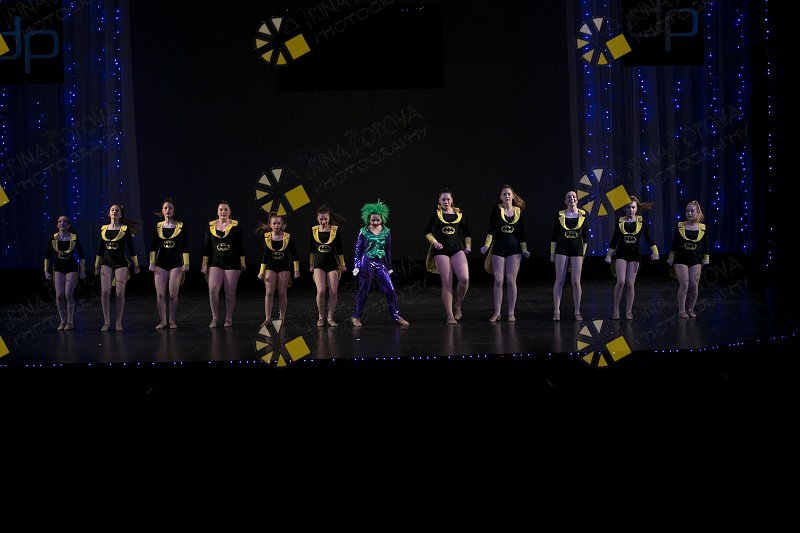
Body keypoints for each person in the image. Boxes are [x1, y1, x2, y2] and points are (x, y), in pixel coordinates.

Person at [351, 200, 409, 327]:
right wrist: (357, 265)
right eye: (373, 220)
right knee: (364, 290)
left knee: (390, 289)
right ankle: (356, 316)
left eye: (377, 220)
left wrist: (389, 266)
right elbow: (358, 250)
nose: (375, 222)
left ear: (382, 219)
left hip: (380, 262)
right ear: (368, 219)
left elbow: (388, 250)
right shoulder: (363, 231)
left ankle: (396, 315)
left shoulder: (386, 231)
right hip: (366, 262)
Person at [604, 196, 659, 320]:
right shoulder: (620, 221)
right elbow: (614, 239)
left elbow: (648, 237)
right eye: (628, 207)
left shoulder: (640, 221)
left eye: (633, 207)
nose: (631, 210)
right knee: (621, 281)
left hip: (634, 256)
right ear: (624, 209)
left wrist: (655, 251)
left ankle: (629, 311)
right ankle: (616, 309)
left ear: (636, 208)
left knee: (630, 283)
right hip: (621, 255)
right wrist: (609, 255)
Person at [480, 185, 529, 322]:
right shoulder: (496, 210)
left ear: (513, 196)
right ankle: (497, 313)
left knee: (511, 281)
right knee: (498, 280)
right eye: (504, 194)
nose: (507, 196)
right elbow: (491, 230)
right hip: (498, 249)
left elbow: (521, 233)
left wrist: (524, 249)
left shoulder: (518, 212)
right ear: (500, 197)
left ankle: (511, 313)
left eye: (509, 194)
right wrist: (486, 245)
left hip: (514, 250)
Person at [424, 188, 471, 324]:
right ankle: (449, 315)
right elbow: (426, 231)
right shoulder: (436, 214)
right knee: (447, 282)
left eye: (448, 199)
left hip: (456, 248)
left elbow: (467, 233)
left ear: (452, 200)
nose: (446, 201)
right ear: (439, 201)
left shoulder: (458, 214)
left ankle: (458, 305)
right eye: (443, 199)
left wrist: (468, 246)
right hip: (441, 251)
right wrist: (434, 242)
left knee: (464, 278)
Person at [95, 204, 140, 331]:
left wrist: (136, 264)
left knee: (120, 292)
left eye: (117, 210)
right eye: (112, 210)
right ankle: (106, 322)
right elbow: (100, 249)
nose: (114, 211)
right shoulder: (104, 229)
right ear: (109, 213)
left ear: (120, 214)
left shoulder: (124, 229)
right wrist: (96, 265)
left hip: (121, 263)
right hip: (106, 262)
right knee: (105, 292)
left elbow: (131, 248)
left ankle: (118, 322)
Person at [201, 201, 245, 328]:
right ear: (217, 212)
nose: (223, 212)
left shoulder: (236, 226)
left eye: (225, 209)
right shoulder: (210, 226)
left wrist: (242, 264)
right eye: (221, 209)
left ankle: (228, 318)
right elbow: (207, 247)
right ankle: (215, 318)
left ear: (230, 212)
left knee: (230, 292)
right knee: (213, 290)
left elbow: (241, 247)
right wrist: (204, 265)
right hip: (216, 262)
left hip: (232, 262)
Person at [148, 198, 189, 330]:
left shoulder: (180, 226)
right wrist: (152, 262)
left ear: (173, 210)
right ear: (162, 210)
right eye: (165, 208)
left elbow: (184, 246)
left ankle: (171, 320)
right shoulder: (158, 226)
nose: (168, 210)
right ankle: (163, 321)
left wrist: (186, 262)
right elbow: (153, 246)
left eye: (170, 208)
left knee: (172, 294)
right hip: (161, 263)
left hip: (176, 263)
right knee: (160, 295)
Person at [667, 200, 710, 319]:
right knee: (684, 284)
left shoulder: (702, 227)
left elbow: (706, 245)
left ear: (698, 212)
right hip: (680, 259)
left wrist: (706, 258)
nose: (689, 213)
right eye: (687, 211)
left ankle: (690, 309)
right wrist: (671, 257)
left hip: (695, 260)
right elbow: (675, 243)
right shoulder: (680, 225)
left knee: (694, 285)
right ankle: (681, 310)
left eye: (692, 211)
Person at [550, 191, 588, 321]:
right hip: (562, 250)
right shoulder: (560, 215)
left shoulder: (583, 215)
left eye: (573, 197)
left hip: (577, 251)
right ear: (565, 201)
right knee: (559, 280)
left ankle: (577, 311)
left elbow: (586, 238)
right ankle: (556, 311)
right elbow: (554, 235)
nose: (571, 198)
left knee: (576, 281)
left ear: (577, 200)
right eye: (569, 197)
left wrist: (583, 254)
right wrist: (552, 253)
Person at [257, 213, 300, 326]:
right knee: (269, 292)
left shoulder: (287, 237)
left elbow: (294, 254)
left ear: (283, 225)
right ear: (270, 225)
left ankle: (282, 317)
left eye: (278, 223)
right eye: (274, 223)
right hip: (270, 267)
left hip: (284, 267)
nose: (276, 225)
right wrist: (261, 272)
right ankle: (267, 318)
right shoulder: (267, 237)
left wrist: (296, 270)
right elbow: (265, 255)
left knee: (282, 292)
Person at [44, 215, 86, 331]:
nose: (62, 223)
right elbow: (47, 256)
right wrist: (46, 271)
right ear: (57, 225)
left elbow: (82, 255)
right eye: (60, 221)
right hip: (58, 268)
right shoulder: (53, 238)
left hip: (71, 268)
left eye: (64, 221)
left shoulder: (74, 238)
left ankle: (70, 322)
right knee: (59, 295)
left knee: (68, 294)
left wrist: (83, 270)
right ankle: (63, 320)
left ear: (68, 224)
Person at [310, 206, 346, 327]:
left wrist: (342, 264)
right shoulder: (314, 230)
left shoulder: (335, 230)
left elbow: (339, 249)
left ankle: (330, 317)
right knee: (320, 291)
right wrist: (311, 264)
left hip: (332, 264)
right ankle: (321, 317)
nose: (323, 221)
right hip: (318, 264)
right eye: (321, 219)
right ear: (317, 218)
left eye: (325, 219)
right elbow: (312, 250)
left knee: (333, 292)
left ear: (329, 218)